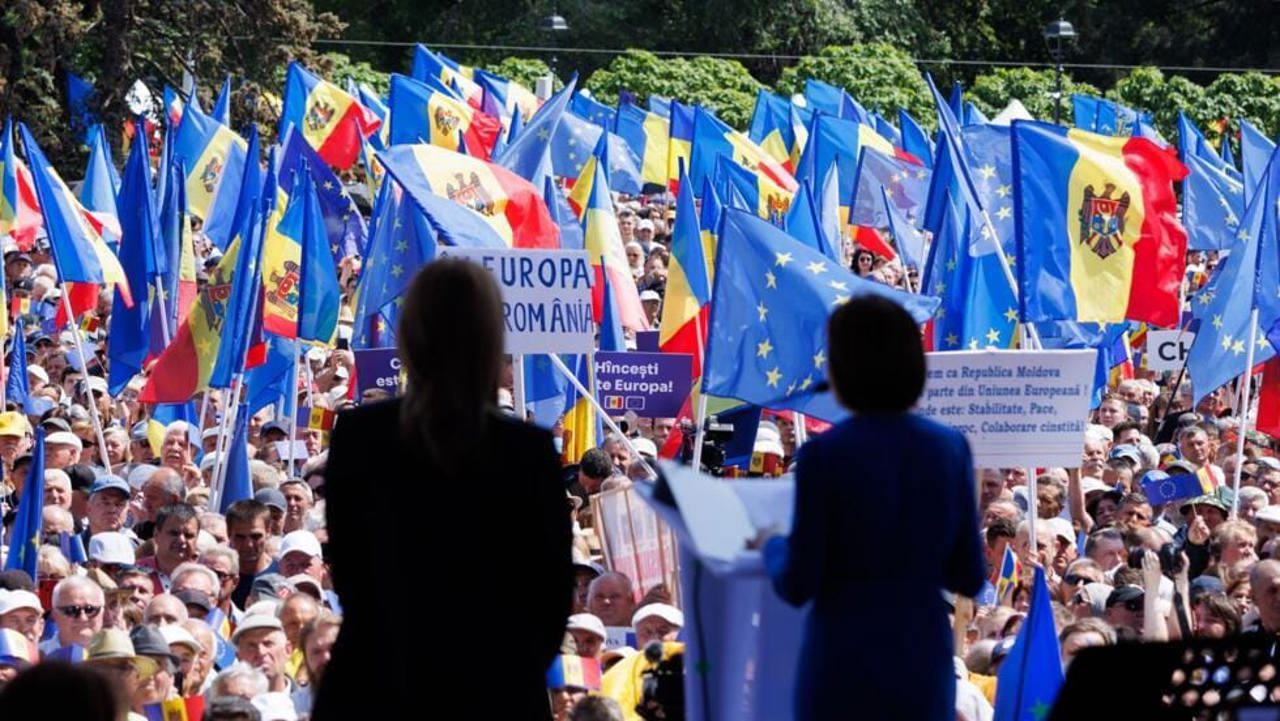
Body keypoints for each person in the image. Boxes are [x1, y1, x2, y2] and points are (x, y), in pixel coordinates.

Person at [314, 259, 572, 720]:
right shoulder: (527, 450)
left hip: (376, 684)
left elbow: (352, 573)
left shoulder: (359, 435)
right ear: (492, 338)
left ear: (410, 335)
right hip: (496, 691)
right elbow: (550, 596)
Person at [762, 295, 985, 721]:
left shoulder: (825, 456)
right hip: (921, 663)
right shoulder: (950, 449)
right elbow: (969, 576)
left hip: (842, 665)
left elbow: (798, 582)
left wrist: (772, 547)